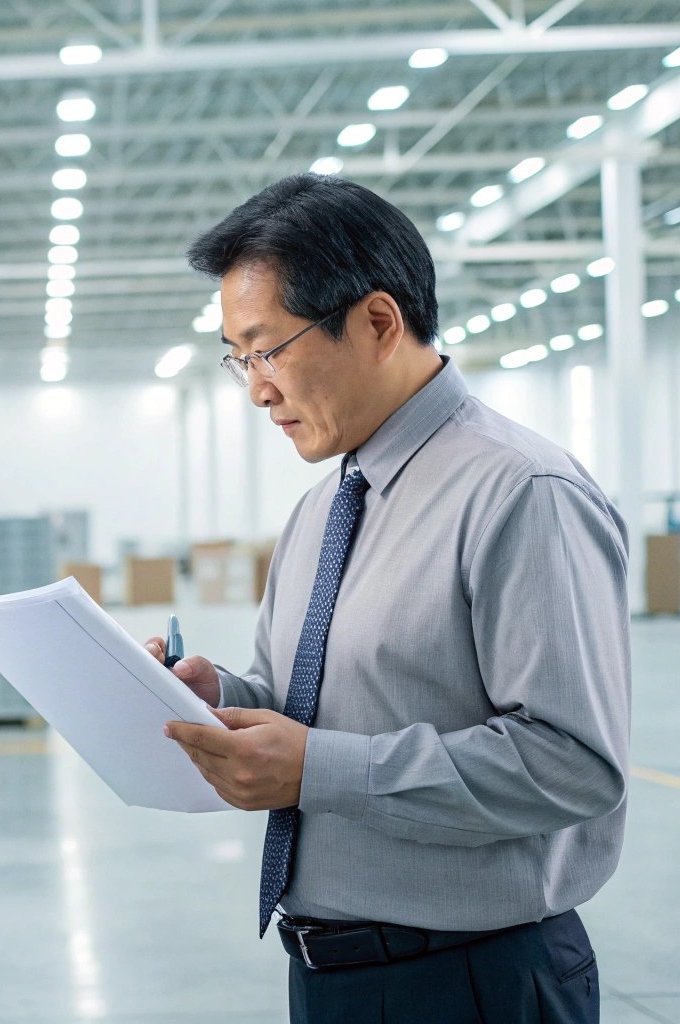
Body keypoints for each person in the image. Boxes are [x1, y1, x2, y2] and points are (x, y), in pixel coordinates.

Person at [145, 173, 630, 1024]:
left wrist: (318, 769)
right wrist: (216, 696)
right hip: (330, 974)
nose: (255, 389)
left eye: (268, 349)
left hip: (472, 984)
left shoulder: (521, 490)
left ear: (376, 322)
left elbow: (573, 762)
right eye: (238, 359)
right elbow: (306, 701)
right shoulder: (323, 508)